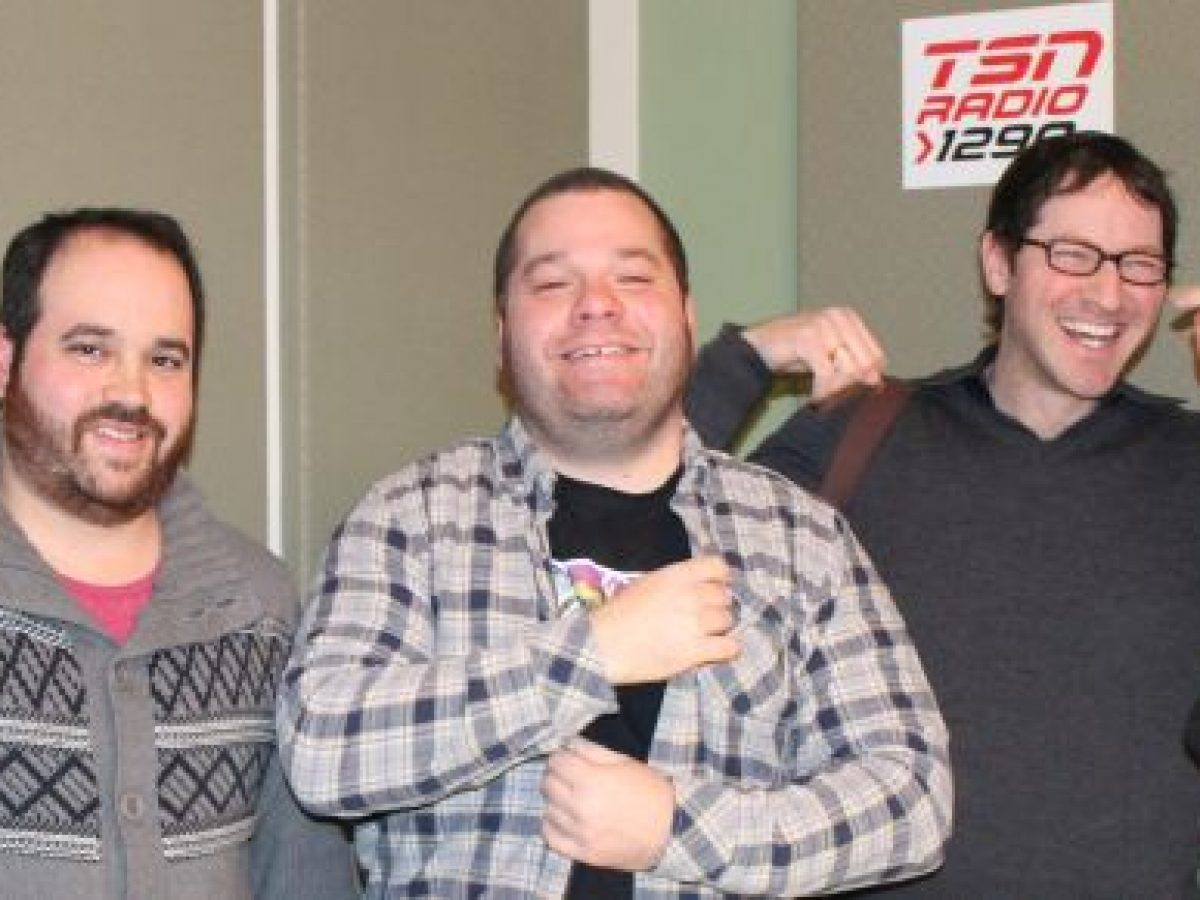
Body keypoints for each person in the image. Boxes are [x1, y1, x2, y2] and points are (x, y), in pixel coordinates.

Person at [277, 167, 951, 898]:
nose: (596, 304)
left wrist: (676, 828)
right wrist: (592, 655)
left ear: (687, 317)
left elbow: (911, 800)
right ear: (502, 337)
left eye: (632, 278)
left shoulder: (800, 539)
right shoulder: (411, 518)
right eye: (552, 283)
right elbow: (322, 751)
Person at [687, 131, 1200, 896]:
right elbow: (642, 517)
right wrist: (747, 360)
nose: (1109, 293)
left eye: (1140, 264)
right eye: (1073, 254)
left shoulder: (1188, 462)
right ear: (999, 262)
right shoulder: (863, 433)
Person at [0, 208, 358, 899]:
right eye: (90, 349)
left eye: (165, 360)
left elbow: (306, 879)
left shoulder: (258, 606)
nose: (131, 393)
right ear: (7, 361)